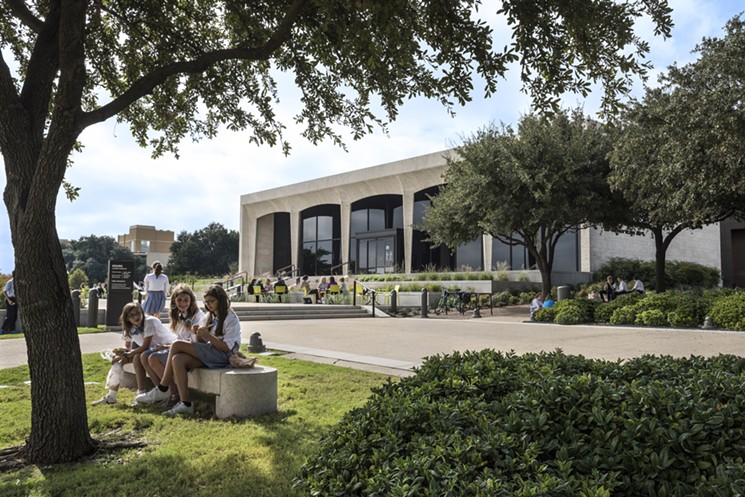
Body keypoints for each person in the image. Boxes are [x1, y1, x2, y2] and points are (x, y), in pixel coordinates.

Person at [134, 284, 242, 416]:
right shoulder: (210, 315)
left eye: (212, 301)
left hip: (224, 355)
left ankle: (163, 387)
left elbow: (227, 347)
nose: (209, 305)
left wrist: (207, 335)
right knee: (177, 359)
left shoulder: (230, 318)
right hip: (211, 353)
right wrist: (199, 333)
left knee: (177, 345)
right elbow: (202, 343)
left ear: (221, 300)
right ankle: (186, 403)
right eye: (206, 302)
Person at [93, 302, 176, 405]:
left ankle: (155, 392)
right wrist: (120, 354)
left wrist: (128, 354)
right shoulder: (129, 327)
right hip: (149, 351)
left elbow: (145, 346)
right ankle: (112, 396)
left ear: (142, 312)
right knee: (119, 362)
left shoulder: (149, 321)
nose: (136, 317)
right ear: (127, 318)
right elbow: (127, 346)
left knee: (138, 357)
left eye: (138, 313)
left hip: (165, 348)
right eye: (132, 315)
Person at [140, 283, 205, 404]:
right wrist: (167, 346)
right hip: (178, 347)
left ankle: (172, 392)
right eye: (179, 300)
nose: (183, 303)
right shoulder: (178, 316)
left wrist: (169, 346)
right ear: (174, 301)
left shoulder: (197, 316)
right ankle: (162, 391)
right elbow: (178, 338)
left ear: (191, 300)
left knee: (153, 358)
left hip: (192, 351)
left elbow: (194, 342)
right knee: (144, 356)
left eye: (186, 300)